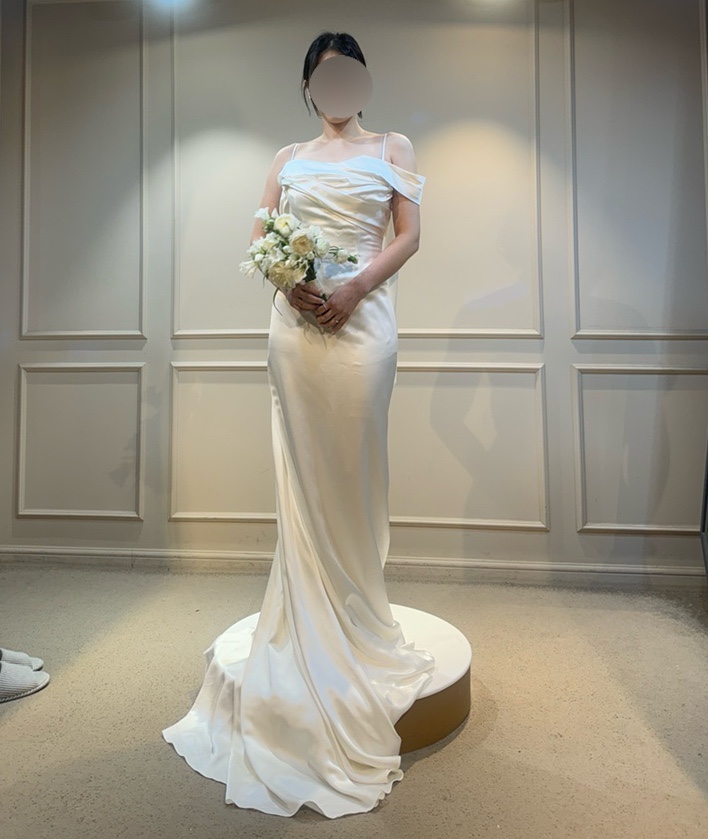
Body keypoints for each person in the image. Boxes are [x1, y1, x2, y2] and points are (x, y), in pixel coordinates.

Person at [162, 31, 436, 818]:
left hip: (364, 322)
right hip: (296, 330)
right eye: (325, 76)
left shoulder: (392, 145)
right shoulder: (286, 158)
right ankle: (309, 613)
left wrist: (353, 288)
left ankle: (359, 613)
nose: (337, 87)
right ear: (312, 86)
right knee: (305, 469)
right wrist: (290, 288)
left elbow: (410, 235)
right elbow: (259, 240)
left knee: (356, 464)